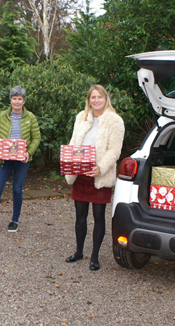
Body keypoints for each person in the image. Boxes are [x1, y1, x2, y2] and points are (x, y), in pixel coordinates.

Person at [64, 85, 125, 271]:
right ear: (88, 99)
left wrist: (100, 168)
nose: (96, 100)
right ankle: (79, 251)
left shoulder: (115, 121)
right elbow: (74, 142)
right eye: (93, 97)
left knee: (98, 216)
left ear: (106, 99)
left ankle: (95, 256)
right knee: (80, 216)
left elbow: (115, 150)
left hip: (100, 175)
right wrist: (68, 160)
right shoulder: (81, 117)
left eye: (99, 97)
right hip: (81, 173)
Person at [0, 86, 41, 233]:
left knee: (17, 190)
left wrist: (29, 152)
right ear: (10, 100)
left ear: (24, 101)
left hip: (22, 159)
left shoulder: (30, 117)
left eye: (20, 99)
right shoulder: (2, 116)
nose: (17, 101)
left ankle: (14, 221)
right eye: (14, 98)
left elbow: (36, 137)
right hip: (4, 158)